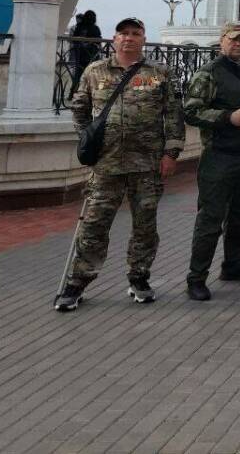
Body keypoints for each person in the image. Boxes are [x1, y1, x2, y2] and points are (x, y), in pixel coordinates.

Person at [54, 17, 185, 311]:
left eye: (135, 33)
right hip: (106, 165)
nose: (128, 38)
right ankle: (77, 282)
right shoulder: (95, 71)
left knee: (145, 226)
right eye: (123, 33)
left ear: (143, 39)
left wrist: (171, 153)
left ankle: (139, 278)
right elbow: (79, 109)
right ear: (114, 39)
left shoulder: (160, 73)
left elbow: (174, 115)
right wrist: (88, 141)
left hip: (147, 165)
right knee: (94, 226)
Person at [182, 21, 240, 301]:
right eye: (234, 39)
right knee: (210, 220)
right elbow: (190, 111)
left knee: (239, 216)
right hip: (219, 156)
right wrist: (227, 117)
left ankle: (232, 265)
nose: (239, 43)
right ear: (222, 41)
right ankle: (196, 278)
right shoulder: (209, 73)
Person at [68, 9, 102, 88]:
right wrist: (89, 43)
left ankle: (74, 90)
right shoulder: (95, 28)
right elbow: (99, 40)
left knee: (79, 74)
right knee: (90, 75)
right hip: (91, 56)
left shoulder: (79, 26)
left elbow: (74, 39)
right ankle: (87, 91)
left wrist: (83, 43)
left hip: (80, 55)